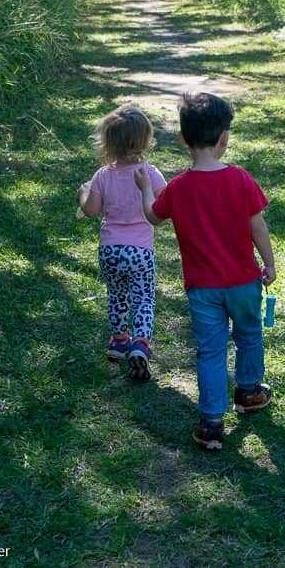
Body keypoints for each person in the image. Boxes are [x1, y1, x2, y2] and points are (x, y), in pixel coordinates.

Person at [135, 92, 276, 450]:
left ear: (183, 139)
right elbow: (257, 226)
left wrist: (145, 188)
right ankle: (249, 393)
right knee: (249, 336)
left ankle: (212, 423)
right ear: (224, 137)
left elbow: (152, 215)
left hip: (202, 290)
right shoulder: (241, 180)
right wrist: (269, 263)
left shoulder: (178, 188)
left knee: (211, 351)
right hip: (244, 283)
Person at [77, 105, 166, 381]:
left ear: (108, 142)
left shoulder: (103, 175)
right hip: (140, 251)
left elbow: (91, 211)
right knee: (144, 298)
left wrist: (83, 194)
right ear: (145, 140)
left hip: (110, 250)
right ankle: (139, 343)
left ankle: (118, 341)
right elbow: (164, 207)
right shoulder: (149, 173)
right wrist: (148, 192)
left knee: (117, 295)